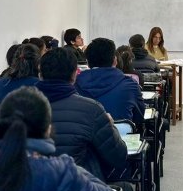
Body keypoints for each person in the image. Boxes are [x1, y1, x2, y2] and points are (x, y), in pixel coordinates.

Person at [36, 48, 127, 181]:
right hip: (79, 190)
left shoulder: (17, 106)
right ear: (74, 75)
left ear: (40, 74)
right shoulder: (92, 109)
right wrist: (110, 126)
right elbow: (118, 156)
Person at [75, 38, 145, 124]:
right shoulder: (130, 85)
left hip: (84, 135)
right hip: (122, 136)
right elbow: (139, 118)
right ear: (115, 60)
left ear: (88, 62)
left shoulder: (75, 85)